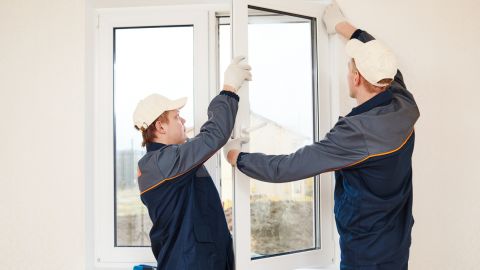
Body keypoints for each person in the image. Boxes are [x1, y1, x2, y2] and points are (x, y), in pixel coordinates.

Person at [223, 3, 420, 270]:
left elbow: (287, 167)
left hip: (365, 255)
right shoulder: (402, 102)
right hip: (396, 242)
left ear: (356, 77)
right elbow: (383, 57)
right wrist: (342, 27)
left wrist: (238, 158)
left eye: (350, 67)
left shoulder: (356, 134)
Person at [133, 56, 251, 270]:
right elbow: (212, 136)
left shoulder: (163, 162)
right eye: (177, 117)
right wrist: (229, 89)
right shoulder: (163, 163)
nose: (184, 121)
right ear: (160, 126)